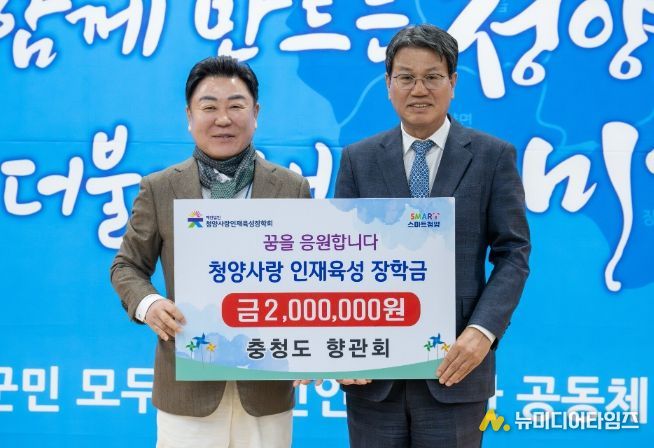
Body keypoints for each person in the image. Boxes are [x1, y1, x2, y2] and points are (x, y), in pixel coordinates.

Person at [335, 24, 531, 447]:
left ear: (453, 83)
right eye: (406, 77)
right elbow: (339, 260)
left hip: (456, 367)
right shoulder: (358, 159)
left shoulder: (493, 156)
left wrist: (483, 331)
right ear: (388, 84)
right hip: (373, 373)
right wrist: (342, 345)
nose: (419, 89)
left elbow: (513, 252)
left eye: (432, 77)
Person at [110, 56, 311, 448]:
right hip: (187, 387)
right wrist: (149, 304)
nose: (223, 119)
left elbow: (311, 276)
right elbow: (127, 266)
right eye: (209, 107)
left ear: (256, 113)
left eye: (236, 106)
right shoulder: (160, 188)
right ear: (189, 115)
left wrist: (312, 344)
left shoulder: (291, 188)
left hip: (267, 385)